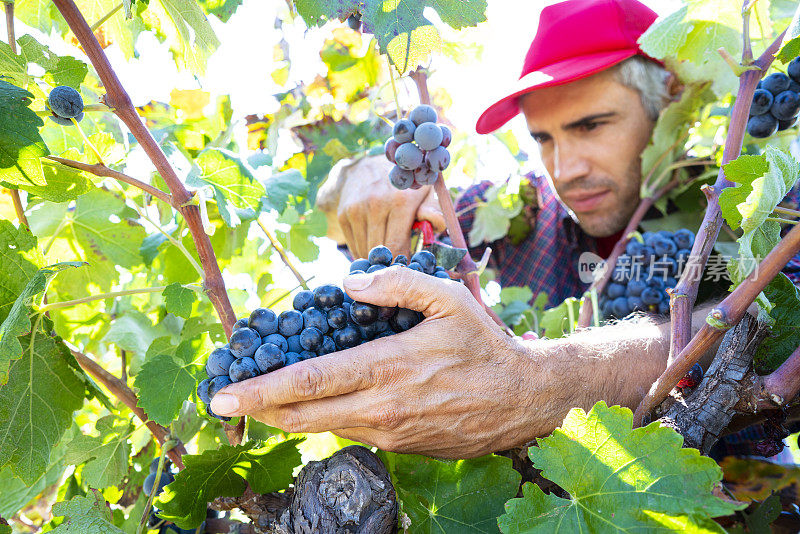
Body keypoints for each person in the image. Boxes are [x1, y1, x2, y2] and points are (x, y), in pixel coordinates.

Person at [210, 0, 799, 459]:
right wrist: (358, 176)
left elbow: (785, 317)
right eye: (543, 138)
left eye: (592, 125)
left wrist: (550, 383)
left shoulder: (761, 203)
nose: (565, 169)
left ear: (668, 102)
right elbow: (344, 207)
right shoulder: (518, 214)